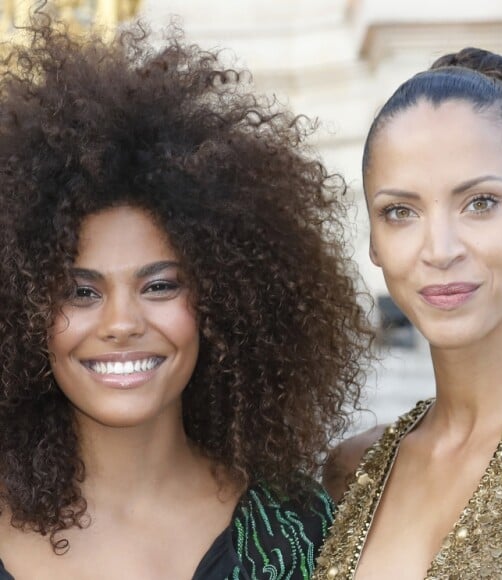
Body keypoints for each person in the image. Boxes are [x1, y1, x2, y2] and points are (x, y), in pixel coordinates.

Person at [0, 17, 372, 579]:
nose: (121, 322)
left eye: (159, 286)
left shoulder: (305, 534)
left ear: (225, 301)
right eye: (80, 291)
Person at [314, 47, 502, 579]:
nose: (439, 249)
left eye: (480, 202)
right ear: (374, 241)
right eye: (400, 212)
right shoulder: (352, 471)